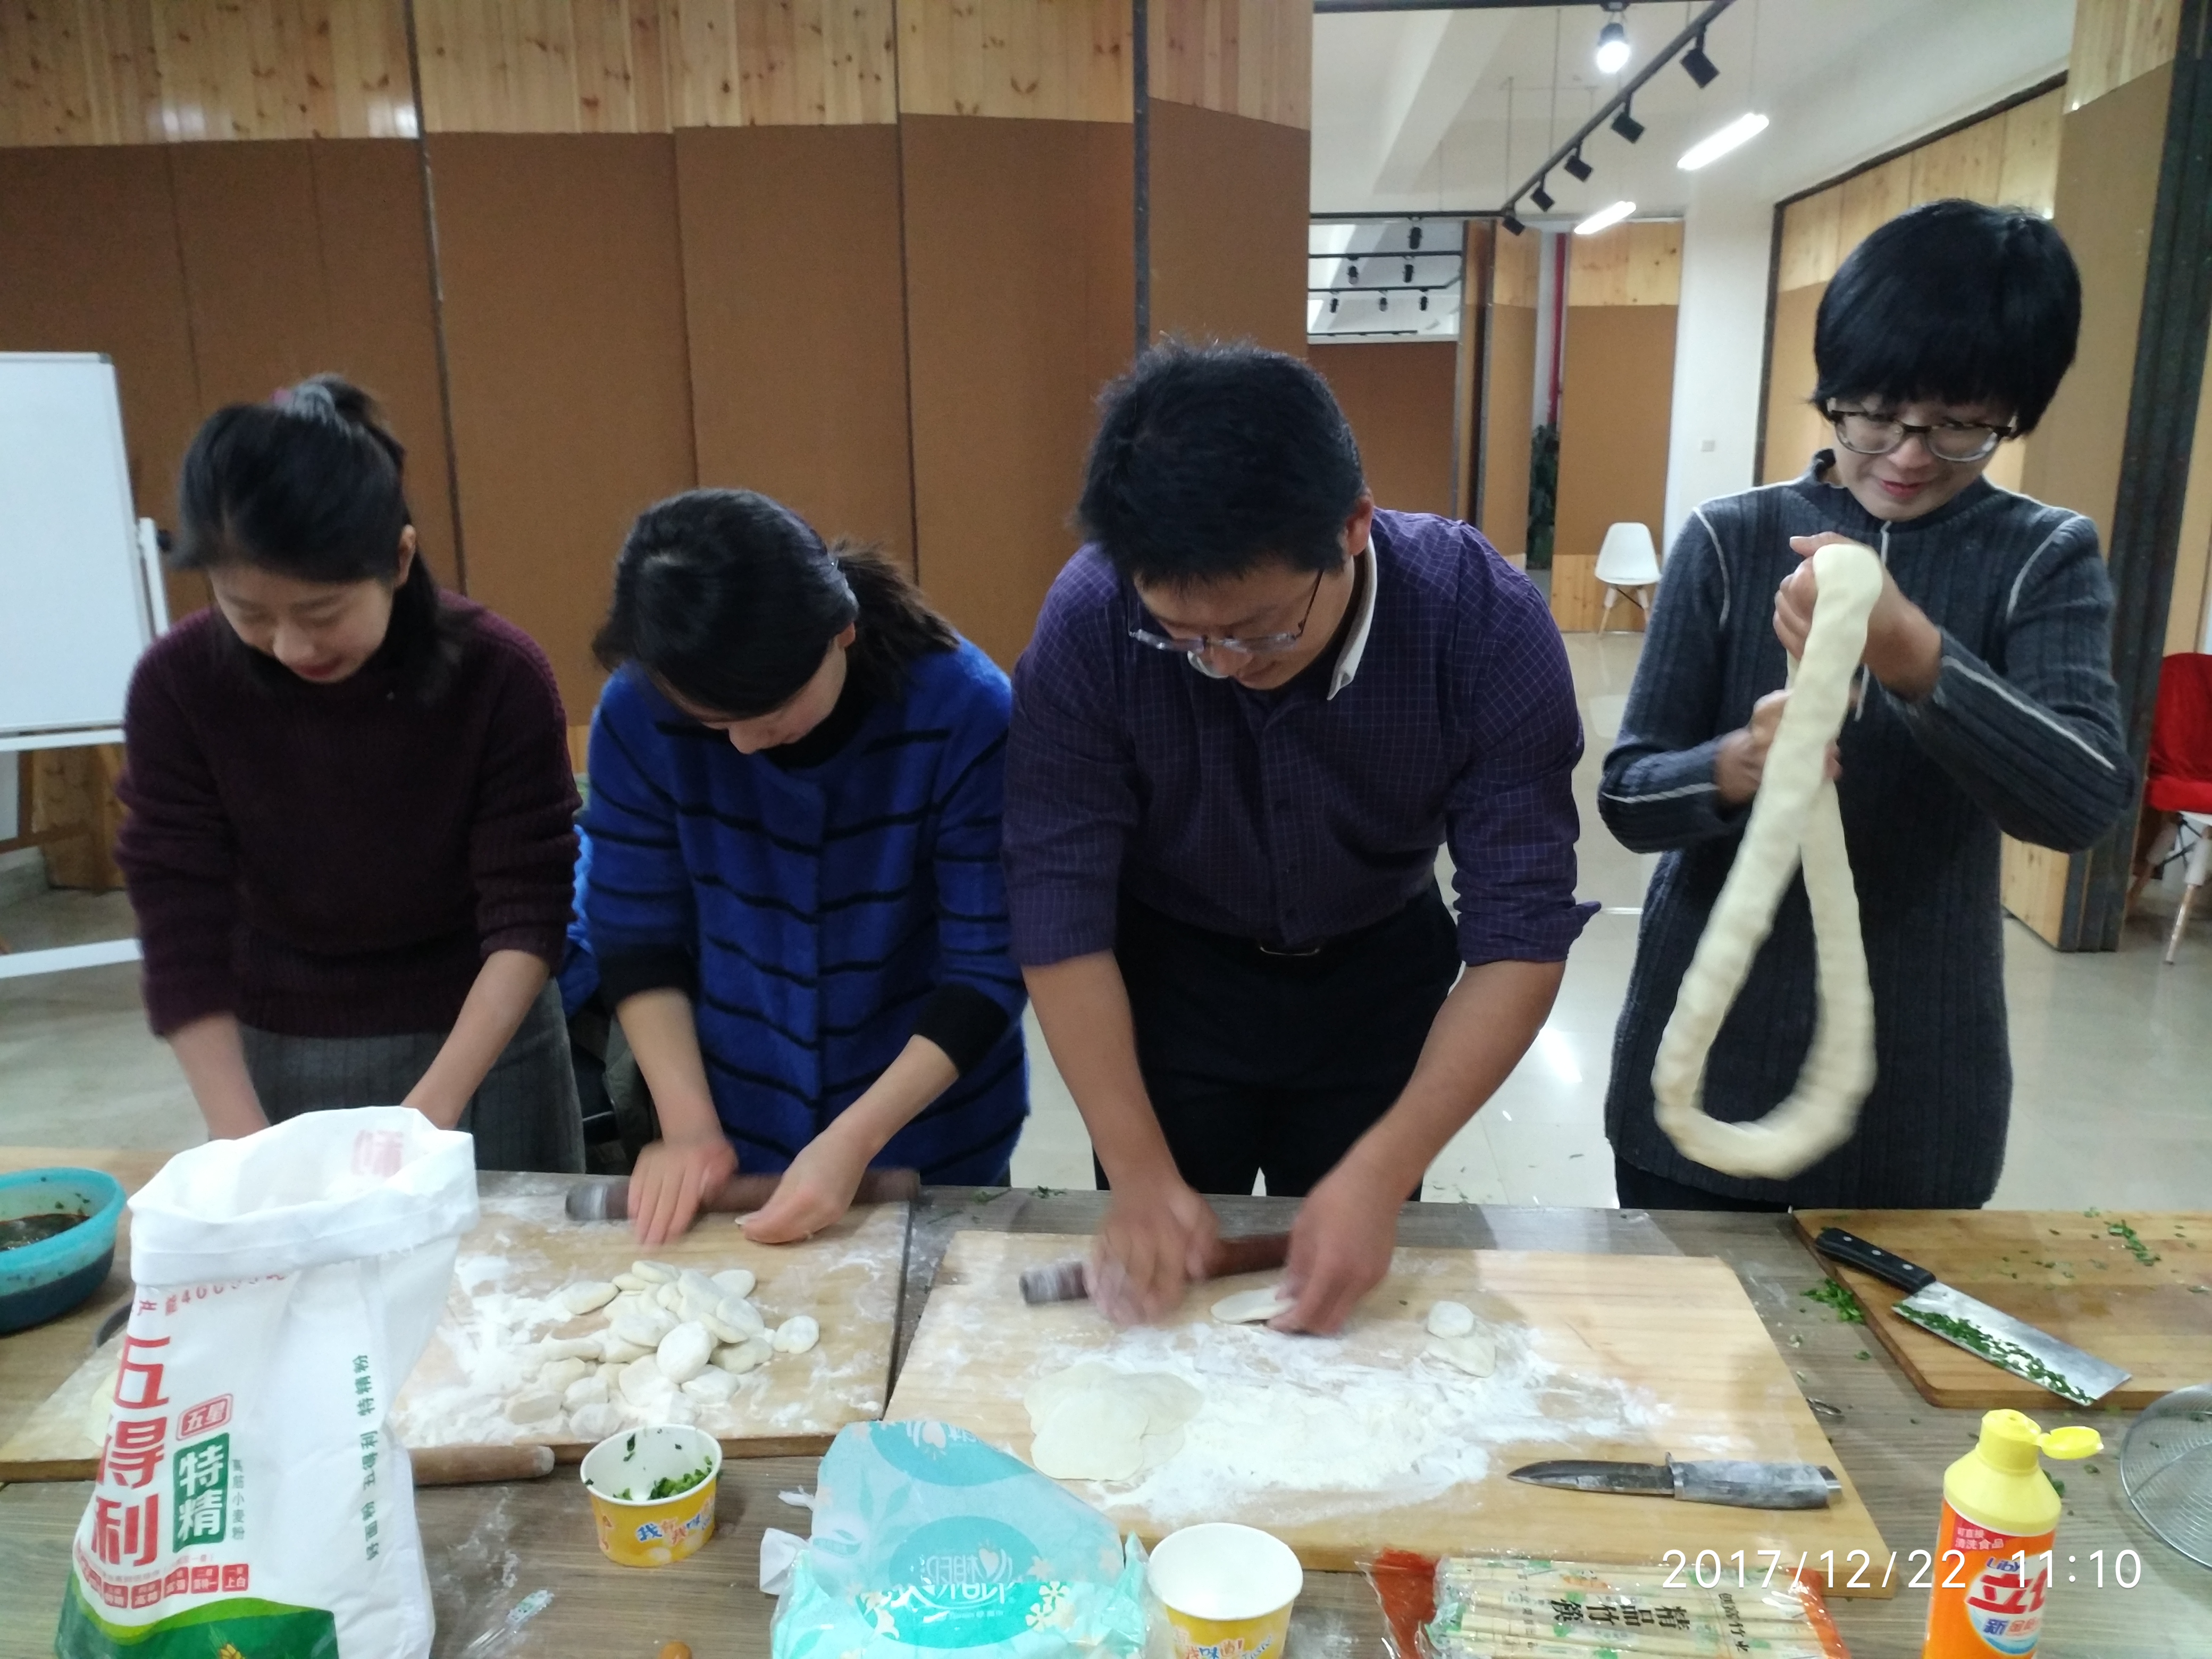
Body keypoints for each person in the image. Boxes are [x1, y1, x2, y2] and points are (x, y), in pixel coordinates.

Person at [1004, 342, 1593, 1335]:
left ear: (1353, 526)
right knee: (1162, 1299)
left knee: (1343, 1317)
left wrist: (1385, 1169)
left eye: (1261, 630)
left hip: (1378, 972)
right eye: (1183, 637)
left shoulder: (1480, 622)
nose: (1224, 664)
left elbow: (1520, 934)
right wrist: (1139, 1175)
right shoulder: (1094, 620)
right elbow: (1059, 909)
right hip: (1174, 979)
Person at [1601, 199, 2134, 1211]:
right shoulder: (1728, 539)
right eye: (1875, 414)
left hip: (1919, 1089)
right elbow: (1629, 797)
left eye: (1962, 425)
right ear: (1832, 390)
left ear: (2012, 414)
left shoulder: (2041, 555)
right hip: (1707, 1065)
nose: (1908, 454)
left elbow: (2082, 801)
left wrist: (1918, 659)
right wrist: (1731, 767)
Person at [115, 376, 586, 1169]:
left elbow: (528, 909)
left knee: (506, 1247)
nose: (291, 646)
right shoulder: (178, 685)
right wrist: (242, 1139)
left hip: (483, 1037)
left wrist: (430, 1112)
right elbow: (178, 919)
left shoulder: (497, 676)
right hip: (280, 1037)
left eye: (322, 613)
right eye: (249, 613)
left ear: (399, 559)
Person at [582, 489, 1027, 1246]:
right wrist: (689, 1129)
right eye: (712, 722)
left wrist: (855, 1139)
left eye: (769, 713)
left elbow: (986, 969)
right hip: (738, 1111)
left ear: (841, 630)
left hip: (934, 1135)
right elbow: (635, 933)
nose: (744, 745)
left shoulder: (964, 713)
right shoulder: (638, 713)